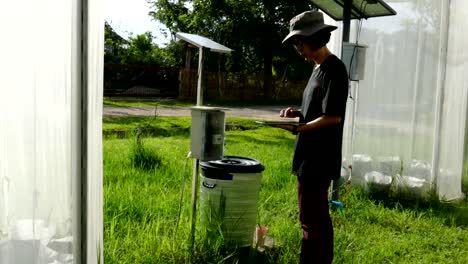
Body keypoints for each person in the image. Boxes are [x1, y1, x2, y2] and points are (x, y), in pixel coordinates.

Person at [278, 10, 349, 264]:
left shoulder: (335, 70)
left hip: (319, 159)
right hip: (308, 156)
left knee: (311, 219)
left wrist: (299, 129)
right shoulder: (317, 69)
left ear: (316, 38)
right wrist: (296, 114)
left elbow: (333, 117)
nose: (299, 51)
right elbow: (316, 110)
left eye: (301, 44)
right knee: (314, 218)